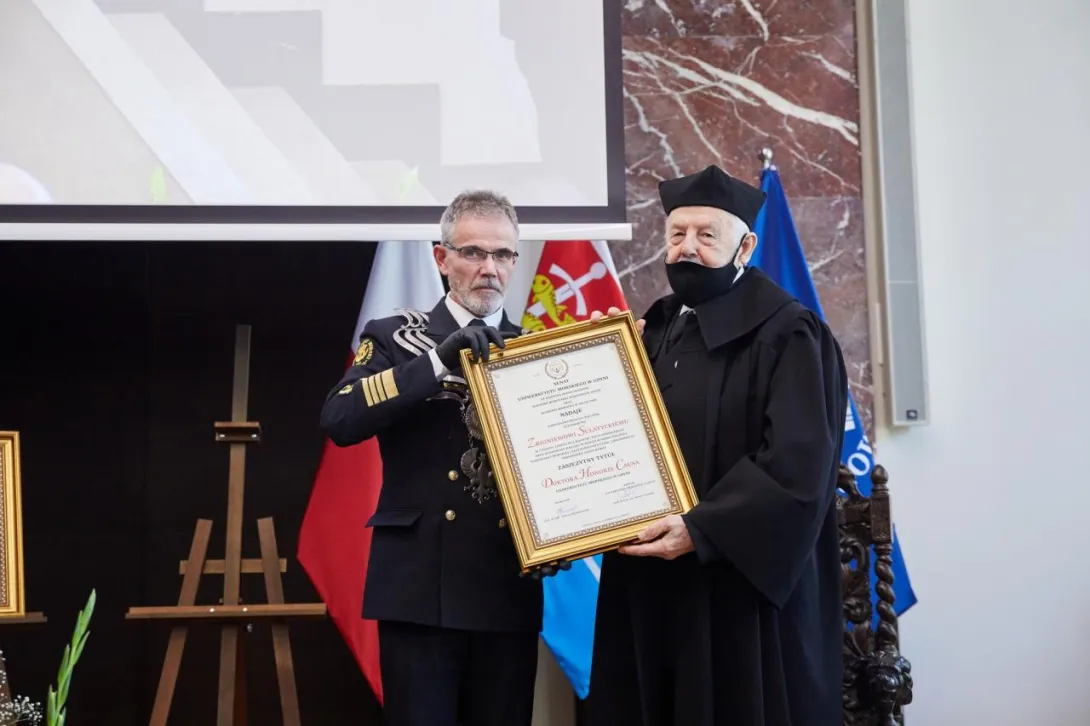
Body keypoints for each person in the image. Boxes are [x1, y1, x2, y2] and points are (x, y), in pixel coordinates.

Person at [586, 164, 849, 726]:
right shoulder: (655, 330)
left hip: (735, 587)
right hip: (648, 579)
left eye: (707, 235)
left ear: (745, 247)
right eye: (677, 233)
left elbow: (797, 467)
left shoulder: (788, 333)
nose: (688, 248)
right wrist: (600, 365)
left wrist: (702, 530)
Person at [319, 190, 545, 726]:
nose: (489, 268)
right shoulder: (395, 338)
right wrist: (437, 362)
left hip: (505, 585)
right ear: (442, 259)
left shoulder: (539, 351)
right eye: (473, 252)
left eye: (502, 254)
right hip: (421, 589)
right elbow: (340, 417)